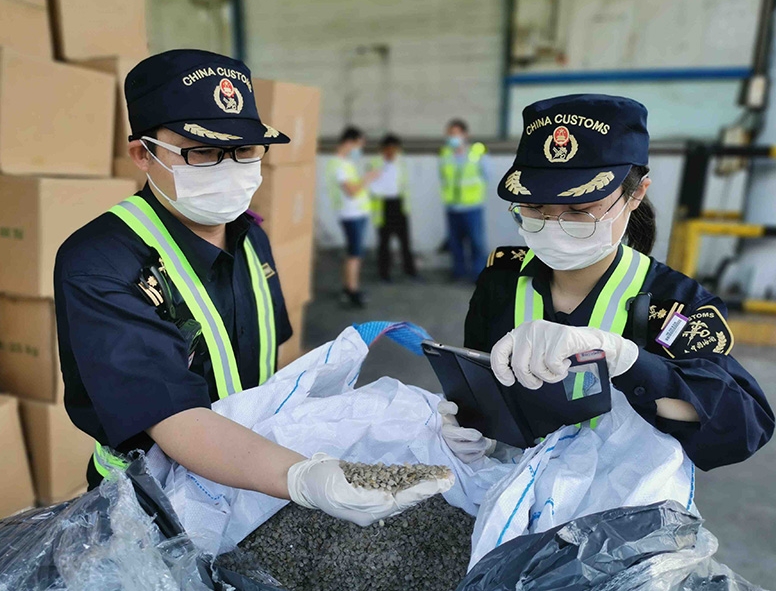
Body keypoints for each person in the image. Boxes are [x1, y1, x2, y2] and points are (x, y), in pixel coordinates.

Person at [54, 49, 450, 525]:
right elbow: (174, 419)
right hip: (151, 507)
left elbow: (272, 362)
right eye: (202, 152)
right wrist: (303, 476)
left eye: (245, 151)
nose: (231, 168)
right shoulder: (100, 262)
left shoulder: (250, 236)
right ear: (143, 153)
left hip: (254, 481)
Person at [442, 94, 773, 470]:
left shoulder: (675, 304)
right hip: (511, 494)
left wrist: (626, 360)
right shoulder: (501, 281)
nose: (552, 227)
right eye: (534, 208)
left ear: (636, 193)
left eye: (579, 210)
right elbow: (482, 380)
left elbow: (744, 427)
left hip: (620, 510)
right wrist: (474, 430)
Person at [326, 126, 378, 308]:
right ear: (349, 142)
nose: (360, 149)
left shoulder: (345, 163)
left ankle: (350, 287)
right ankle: (351, 291)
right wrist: (369, 177)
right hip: (351, 215)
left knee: (354, 253)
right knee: (354, 254)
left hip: (356, 214)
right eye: (359, 144)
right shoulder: (339, 164)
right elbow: (351, 191)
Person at [439, 119, 489, 282]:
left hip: (472, 207)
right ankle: (458, 272)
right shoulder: (445, 153)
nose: (452, 137)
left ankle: (478, 274)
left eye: (455, 133)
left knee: (476, 243)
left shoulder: (476, 152)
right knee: (455, 243)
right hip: (452, 207)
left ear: (465, 134)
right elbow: (443, 177)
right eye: (450, 134)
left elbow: (487, 174)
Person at [368, 133, 417, 281]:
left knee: (405, 241)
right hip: (383, 206)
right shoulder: (374, 163)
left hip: (399, 205)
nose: (391, 152)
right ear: (382, 150)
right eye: (388, 149)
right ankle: (384, 274)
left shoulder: (401, 164)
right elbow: (370, 186)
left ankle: (410, 271)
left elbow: (406, 185)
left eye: (394, 149)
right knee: (384, 243)